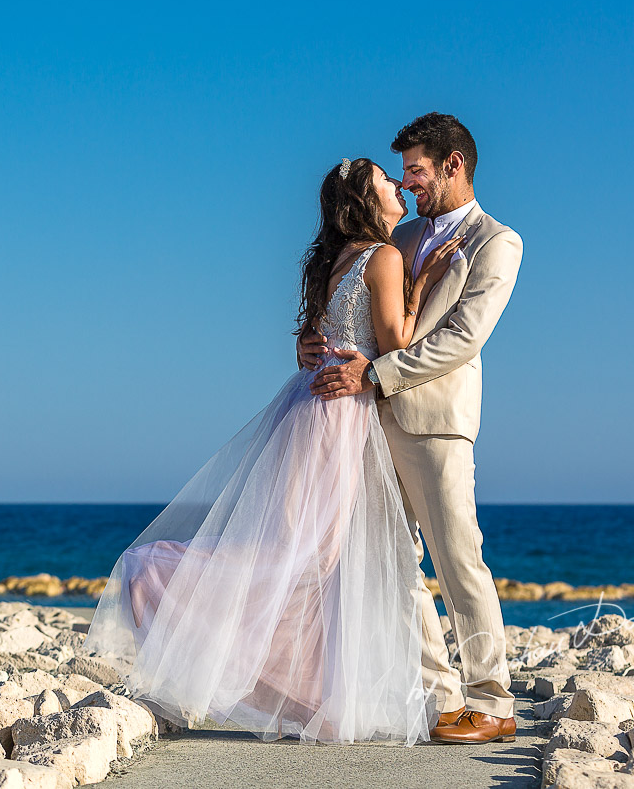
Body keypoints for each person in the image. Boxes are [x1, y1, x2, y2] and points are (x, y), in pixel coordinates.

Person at [82, 155, 463, 746]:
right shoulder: (385, 258)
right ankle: (158, 576)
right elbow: (395, 345)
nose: (397, 184)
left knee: (305, 559)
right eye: (386, 180)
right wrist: (422, 287)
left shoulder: (337, 260)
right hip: (337, 416)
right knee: (308, 561)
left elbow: (321, 339)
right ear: (367, 200)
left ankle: (315, 699)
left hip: (309, 412)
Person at [304, 113, 524, 744]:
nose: (408, 184)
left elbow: (461, 339)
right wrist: (316, 344)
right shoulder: (397, 239)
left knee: (460, 560)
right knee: (393, 563)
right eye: (402, 174)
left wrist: (374, 373)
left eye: (418, 172)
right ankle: (443, 697)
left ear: (453, 165)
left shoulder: (496, 242)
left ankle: (494, 701)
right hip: (368, 425)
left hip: (434, 424)